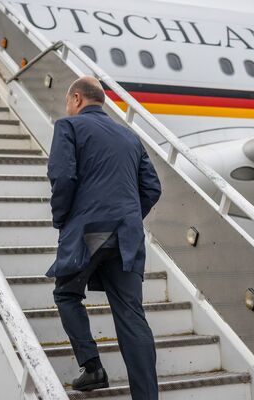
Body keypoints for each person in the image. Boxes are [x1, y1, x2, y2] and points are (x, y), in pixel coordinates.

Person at [46, 76, 162, 399]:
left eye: (69, 102)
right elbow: (153, 188)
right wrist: (125, 217)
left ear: (78, 99)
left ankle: (93, 367)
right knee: (131, 316)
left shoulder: (68, 128)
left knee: (66, 293)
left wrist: (61, 219)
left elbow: (63, 176)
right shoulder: (129, 137)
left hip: (90, 231)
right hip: (126, 236)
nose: (67, 108)